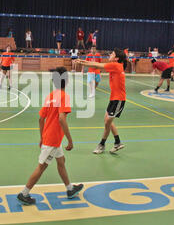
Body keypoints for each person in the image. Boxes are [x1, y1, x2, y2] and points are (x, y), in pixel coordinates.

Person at [17, 67, 84, 205]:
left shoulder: (50, 96)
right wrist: (70, 140)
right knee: (41, 167)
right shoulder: (64, 97)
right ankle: (24, 193)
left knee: (61, 161)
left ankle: (70, 189)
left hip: (50, 137)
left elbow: (41, 119)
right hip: (53, 139)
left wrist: (42, 137)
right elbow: (61, 119)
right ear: (66, 81)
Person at [77, 49, 127, 155]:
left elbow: (96, 65)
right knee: (107, 121)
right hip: (113, 99)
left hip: (119, 99)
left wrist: (82, 62)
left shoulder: (116, 65)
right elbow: (96, 64)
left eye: (112, 54)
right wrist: (83, 62)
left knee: (107, 123)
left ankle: (102, 144)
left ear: (117, 58)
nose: (110, 54)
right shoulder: (116, 65)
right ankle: (117, 142)